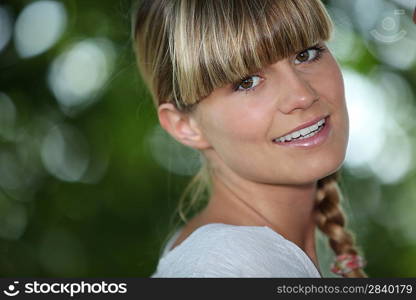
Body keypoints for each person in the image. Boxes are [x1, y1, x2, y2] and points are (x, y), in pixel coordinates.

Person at [132, 0, 367, 278]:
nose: (301, 95)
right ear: (185, 126)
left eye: (306, 54)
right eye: (247, 82)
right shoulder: (224, 265)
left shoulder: (265, 257)